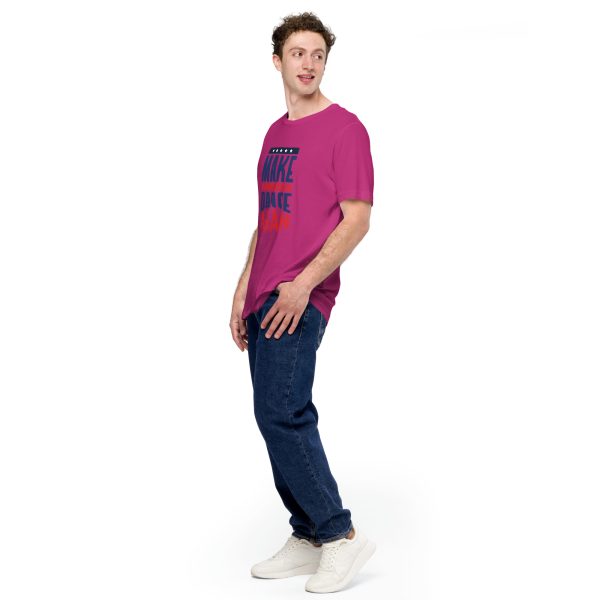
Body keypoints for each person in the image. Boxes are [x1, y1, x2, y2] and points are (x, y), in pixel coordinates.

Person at [229, 12, 376, 594]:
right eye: (298, 53)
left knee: (284, 413)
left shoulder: (345, 129)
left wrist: (303, 284)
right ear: (278, 61)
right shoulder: (274, 133)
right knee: (271, 417)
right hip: (265, 294)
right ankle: (308, 533)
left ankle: (339, 534)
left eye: (318, 54)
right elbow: (268, 219)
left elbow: (357, 220)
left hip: (301, 295)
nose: (309, 64)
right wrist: (244, 284)